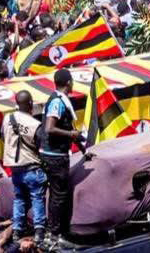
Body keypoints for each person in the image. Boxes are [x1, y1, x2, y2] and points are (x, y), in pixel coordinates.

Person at [40, 68, 82, 244]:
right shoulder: (57, 102)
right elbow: (50, 128)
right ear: (69, 83)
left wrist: (83, 150)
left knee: (57, 195)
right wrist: (70, 135)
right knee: (59, 196)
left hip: (53, 154)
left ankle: (53, 233)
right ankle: (56, 236)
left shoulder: (57, 99)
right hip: (55, 156)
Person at [2, 90, 46, 245]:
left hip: (15, 170)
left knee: (19, 199)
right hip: (32, 168)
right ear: (31, 104)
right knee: (37, 198)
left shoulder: (7, 118)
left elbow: (4, 136)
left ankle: (16, 232)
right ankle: (39, 231)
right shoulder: (35, 124)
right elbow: (42, 145)